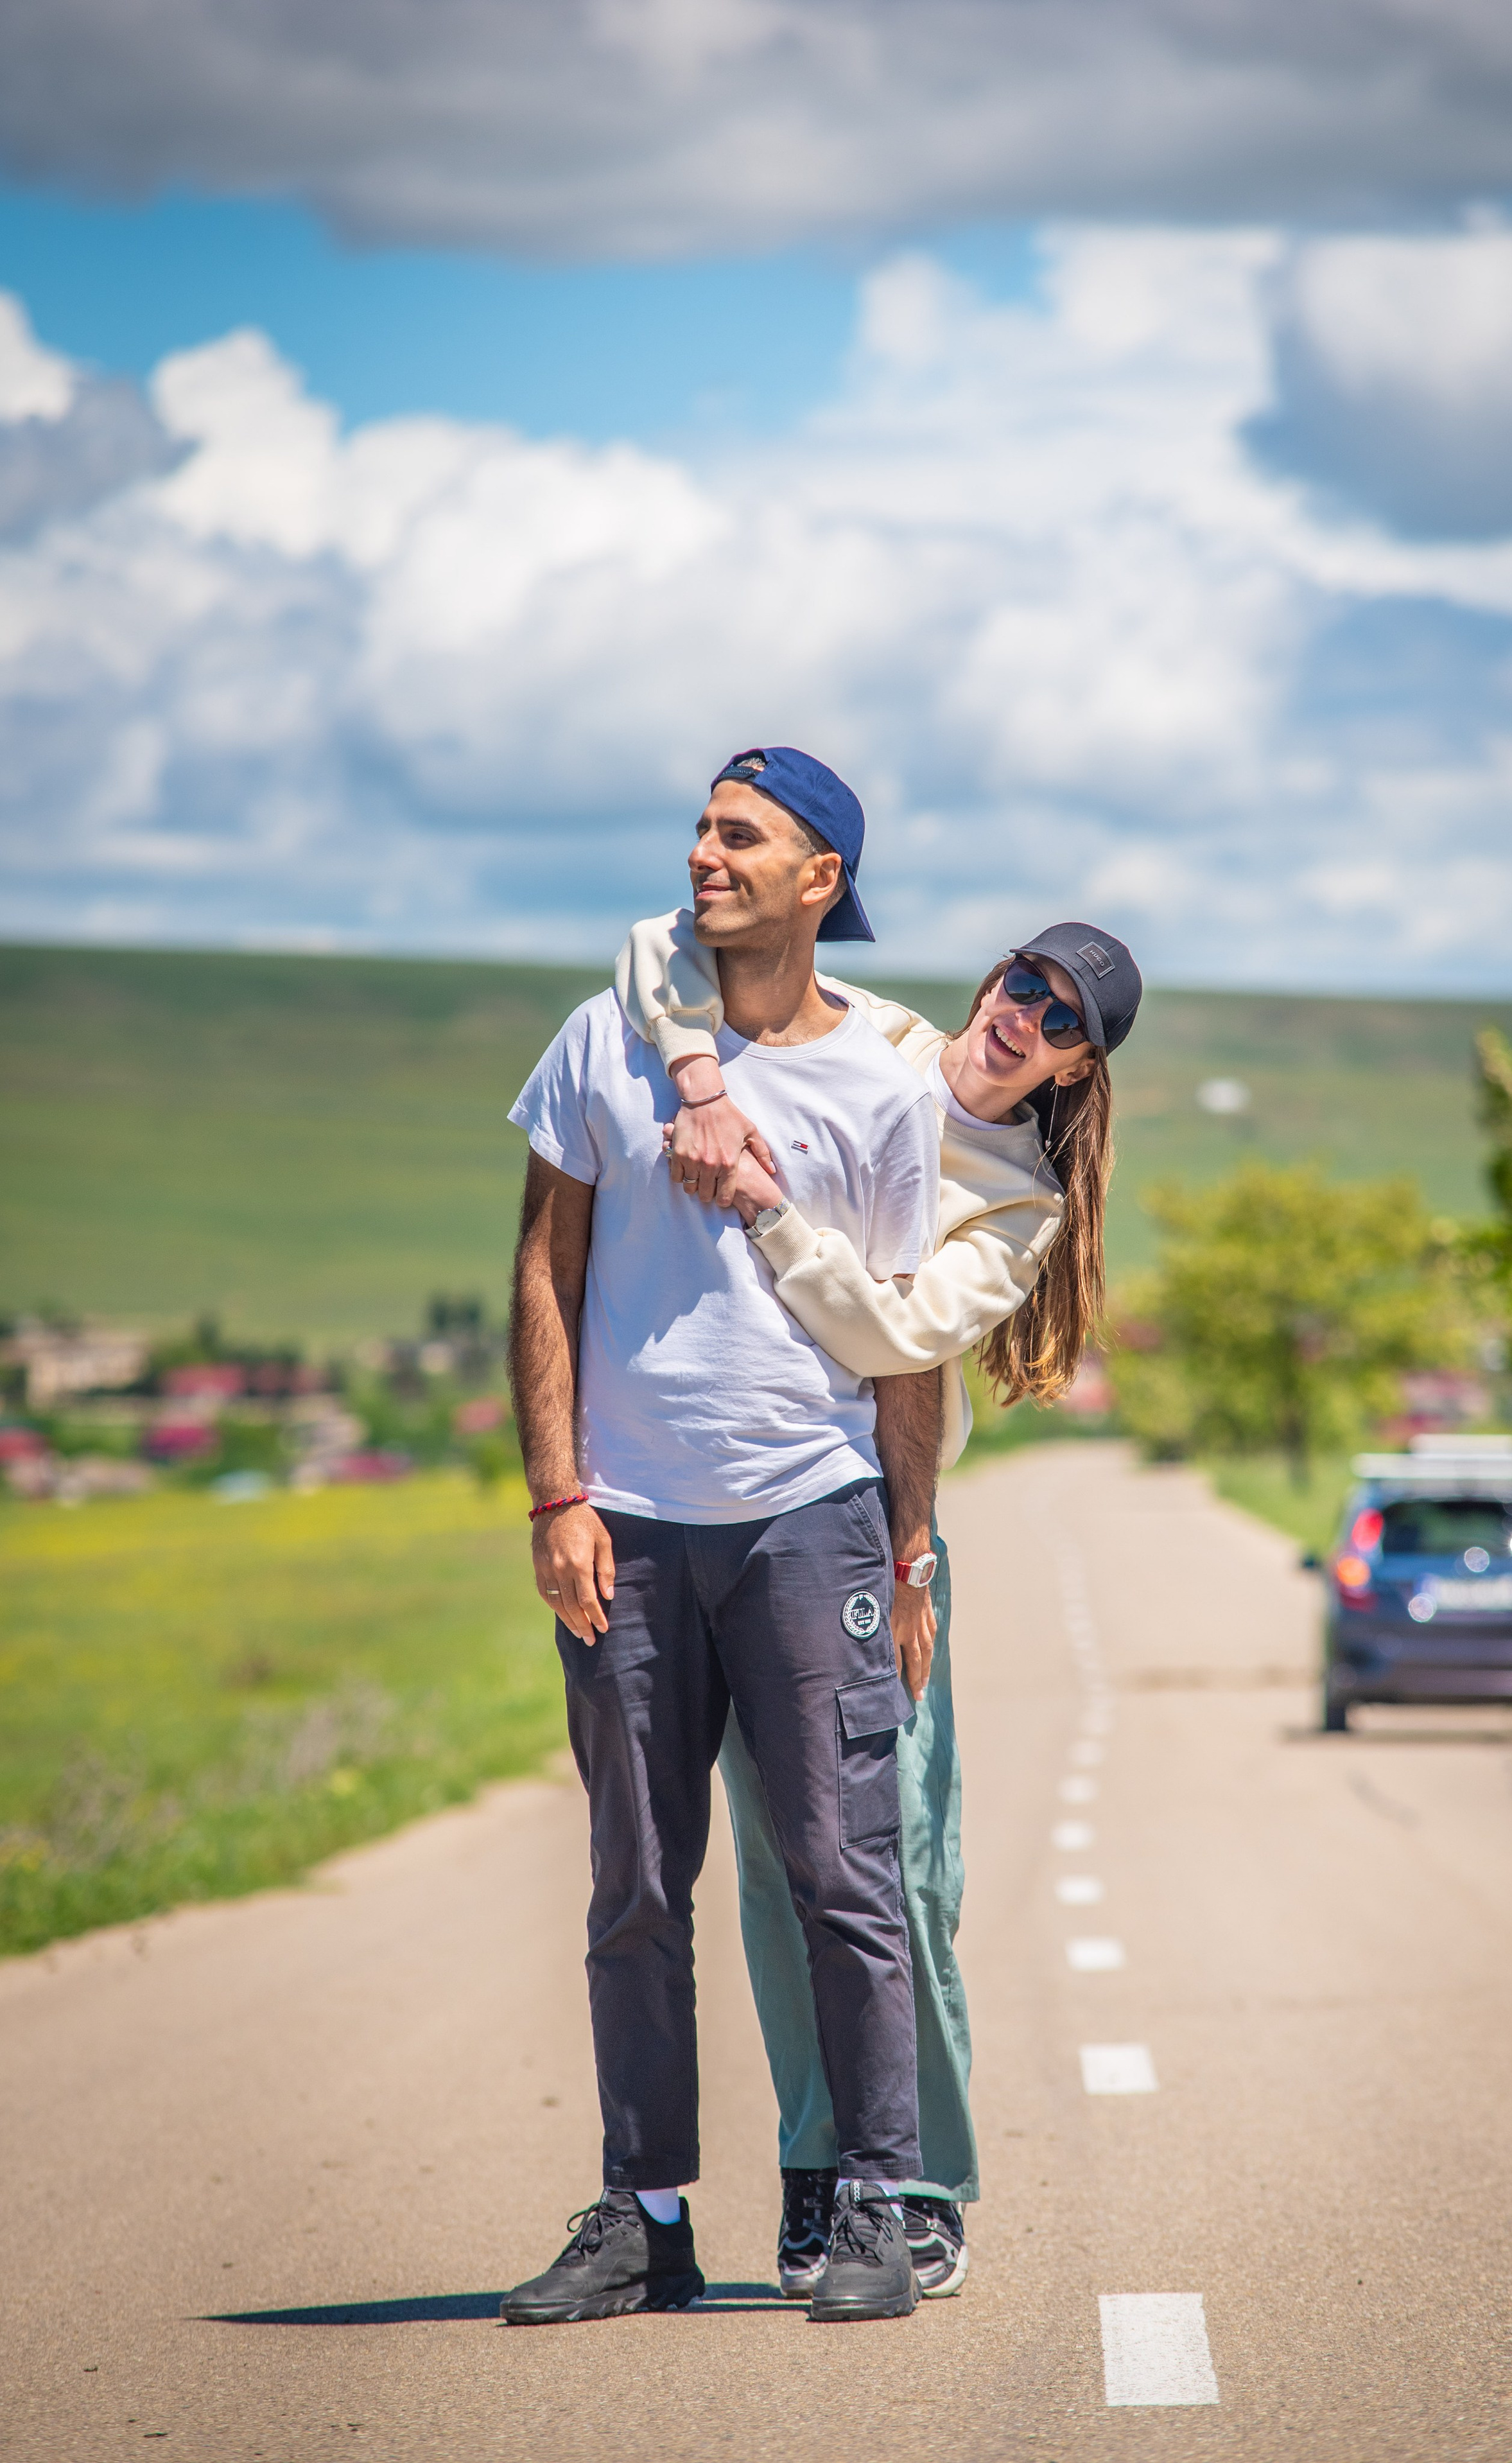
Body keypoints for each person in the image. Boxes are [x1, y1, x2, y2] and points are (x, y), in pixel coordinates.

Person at [615, 893, 1142, 2299]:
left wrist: (767, 1203)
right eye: (1021, 983)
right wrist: (703, 1086)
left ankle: (918, 2179)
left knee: (897, 1869)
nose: (1019, 1016)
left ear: (1074, 1069)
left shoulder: (1016, 1199)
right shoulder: (887, 1045)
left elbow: (891, 1331)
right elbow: (658, 943)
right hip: (735, 1504)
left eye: (1057, 1020)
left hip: (873, 1538)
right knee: (785, 1877)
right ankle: (818, 2166)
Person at [500, 746, 948, 2327]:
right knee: (636, 1881)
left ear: (819, 878)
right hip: (624, 1526)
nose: (705, 855)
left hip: (806, 1524)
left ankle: (880, 2206)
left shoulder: (887, 1087)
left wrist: (907, 1547)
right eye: (698, 827)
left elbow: (902, 1341)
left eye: (741, 835)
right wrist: (555, 1493)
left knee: (843, 1871)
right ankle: (646, 2214)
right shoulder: (604, 1041)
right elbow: (542, 1273)